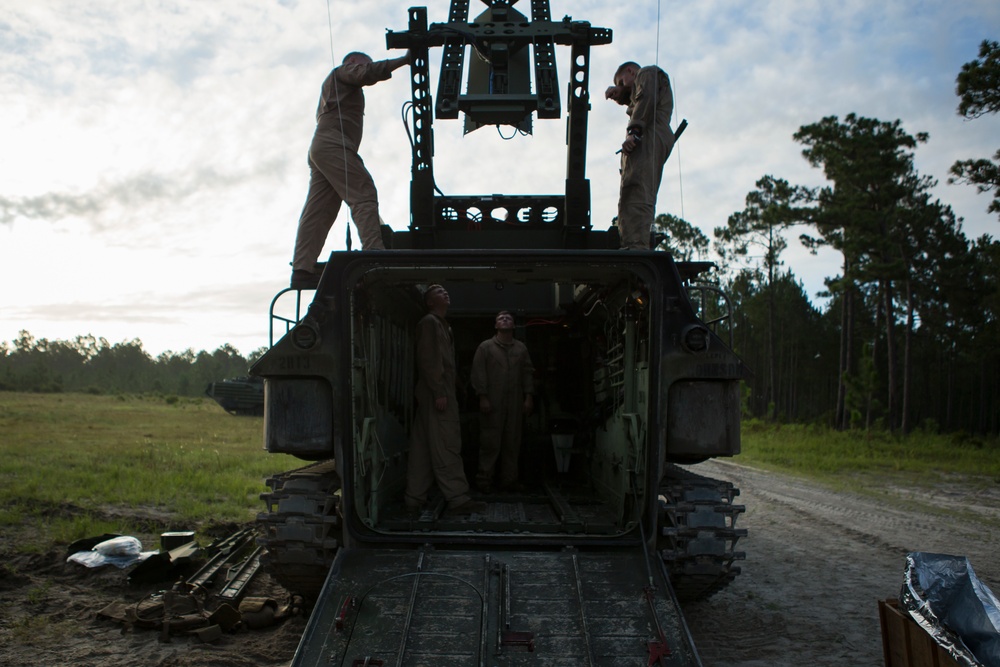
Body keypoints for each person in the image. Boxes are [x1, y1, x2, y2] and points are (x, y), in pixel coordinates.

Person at [290, 51, 410, 290]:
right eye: (365, 62)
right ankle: (374, 253)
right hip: (333, 145)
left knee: (319, 209)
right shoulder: (343, 72)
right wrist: (405, 60)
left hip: (323, 147)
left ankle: (302, 269)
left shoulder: (338, 86)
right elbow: (367, 73)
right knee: (363, 193)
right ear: (353, 62)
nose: (366, 67)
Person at [405, 285, 487, 516]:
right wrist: (440, 391)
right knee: (447, 444)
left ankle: (413, 498)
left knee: (422, 449)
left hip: (432, 393)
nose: (445, 292)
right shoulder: (430, 323)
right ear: (430, 302)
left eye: (445, 290)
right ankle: (458, 498)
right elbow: (429, 359)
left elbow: (443, 362)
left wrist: (457, 385)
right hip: (436, 394)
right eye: (439, 291)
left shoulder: (441, 325)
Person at [605, 61, 676, 250]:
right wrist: (622, 95)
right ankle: (633, 242)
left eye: (621, 82)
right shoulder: (644, 84)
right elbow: (638, 99)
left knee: (637, 189)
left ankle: (636, 246)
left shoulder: (646, 73)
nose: (620, 87)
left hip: (648, 136)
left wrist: (634, 132)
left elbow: (645, 99)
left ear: (630, 71)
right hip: (652, 135)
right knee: (633, 189)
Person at [470, 311, 535, 493]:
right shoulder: (486, 348)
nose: (505, 319)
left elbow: (527, 372)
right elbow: (478, 372)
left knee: (512, 442)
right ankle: (484, 481)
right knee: (490, 442)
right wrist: (482, 396)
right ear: (496, 326)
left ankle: (509, 480)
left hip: (515, 403)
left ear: (513, 326)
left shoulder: (521, 349)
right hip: (492, 403)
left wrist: (528, 396)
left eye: (509, 318)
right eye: (501, 318)